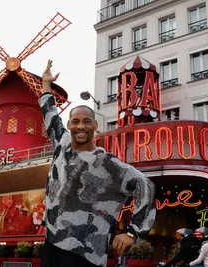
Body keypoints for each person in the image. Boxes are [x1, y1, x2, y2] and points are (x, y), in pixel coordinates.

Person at [38, 60, 156, 267]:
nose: (80, 126)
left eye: (86, 122)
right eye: (75, 121)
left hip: (85, 255)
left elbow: (146, 187)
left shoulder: (110, 164)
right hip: (52, 245)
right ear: (69, 125)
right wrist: (46, 84)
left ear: (95, 126)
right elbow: (49, 113)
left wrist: (133, 233)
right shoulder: (62, 142)